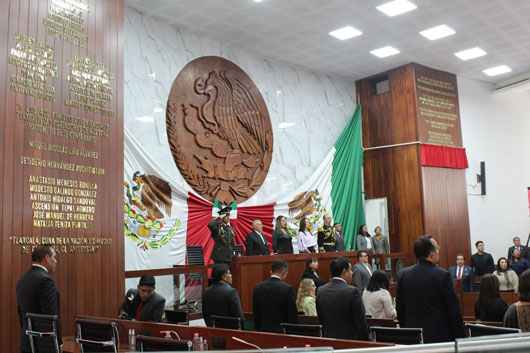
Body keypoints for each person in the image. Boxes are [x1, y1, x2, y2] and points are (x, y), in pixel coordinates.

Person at [396, 235, 464, 343]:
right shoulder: (443, 275)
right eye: (437, 248)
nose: (439, 251)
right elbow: (453, 311)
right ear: (432, 254)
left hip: (413, 336)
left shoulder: (403, 274)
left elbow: (400, 309)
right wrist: (460, 339)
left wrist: (407, 332)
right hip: (439, 338)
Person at [17, 244, 62, 353]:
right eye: (54, 257)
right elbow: (51, 315)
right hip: (43, 345)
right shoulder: (45, 281)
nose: (55, 261)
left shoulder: (23, 279)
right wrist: (58, 342)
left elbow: (21, 313)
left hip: (26, 342)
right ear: (46, 258)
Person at [316, 257, 369, 340]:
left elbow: (321, 320)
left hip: (329, 340)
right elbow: (361, 321)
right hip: (350, 342)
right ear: (344, 271)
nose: (352, 273)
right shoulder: (352, 291)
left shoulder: (320, 291)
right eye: (350, 270)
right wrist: (367, 343)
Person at [253, 259, 297, 332]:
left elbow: (256, 314)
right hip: (282, 334)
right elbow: (292, 316)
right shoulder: (288, 289)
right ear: (283, 272)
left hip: (263, 332)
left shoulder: (258, 287)